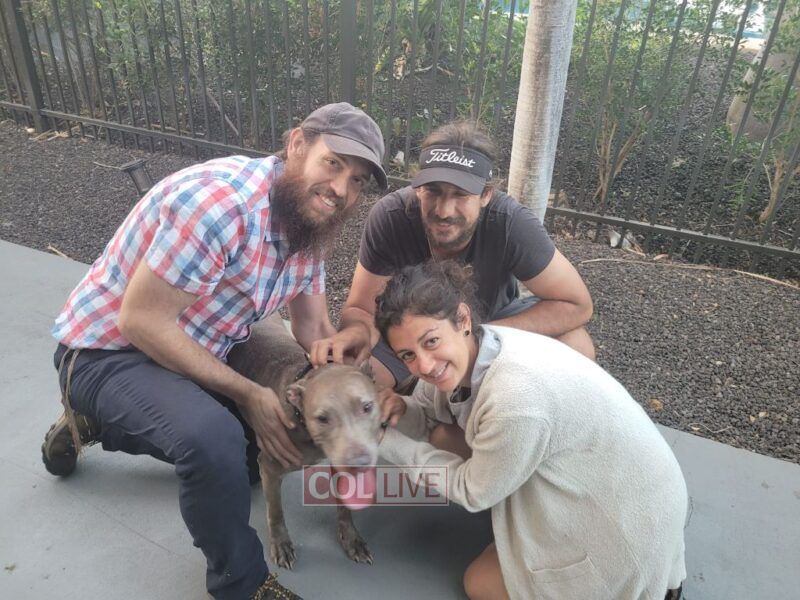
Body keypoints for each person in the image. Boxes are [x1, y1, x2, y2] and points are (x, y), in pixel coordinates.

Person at [40, 102, 386, 600]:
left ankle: (101, 424)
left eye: (356, 181)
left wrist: (343, 367)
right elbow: (139, 320)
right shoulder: (220, 207)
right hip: (105, 353)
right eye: (333, 164)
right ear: (296, 145)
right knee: (215, 440)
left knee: (252, 461)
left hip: (189, 351)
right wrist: (247, 394)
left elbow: (312, 326)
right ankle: (242, 583)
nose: (341, 189)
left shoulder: (309, 222)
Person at [375, 260, 687, 600]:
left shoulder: (515, 398)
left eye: (431, 341)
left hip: (628, 527)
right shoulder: (483, 344)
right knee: (441, 438)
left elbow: (473, 491)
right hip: (625, 484)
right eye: (408, 354)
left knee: (479, 582)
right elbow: (428, 416)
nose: (424, 365)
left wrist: (383, 441)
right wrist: (401, 412)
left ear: (462, 319)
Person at [311, 120, 595, 392]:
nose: (444, 210)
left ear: (485, 195)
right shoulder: (391, 216)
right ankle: (415, 399)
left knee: (576, 346)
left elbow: (576, 304)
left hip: (492, 323)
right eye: (433, 191)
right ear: (418, 187)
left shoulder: (510, 223)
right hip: (410, 331)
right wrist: (356, 333)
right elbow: (361, 308)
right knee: (355, 385)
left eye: (460, 194)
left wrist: (472, 338)